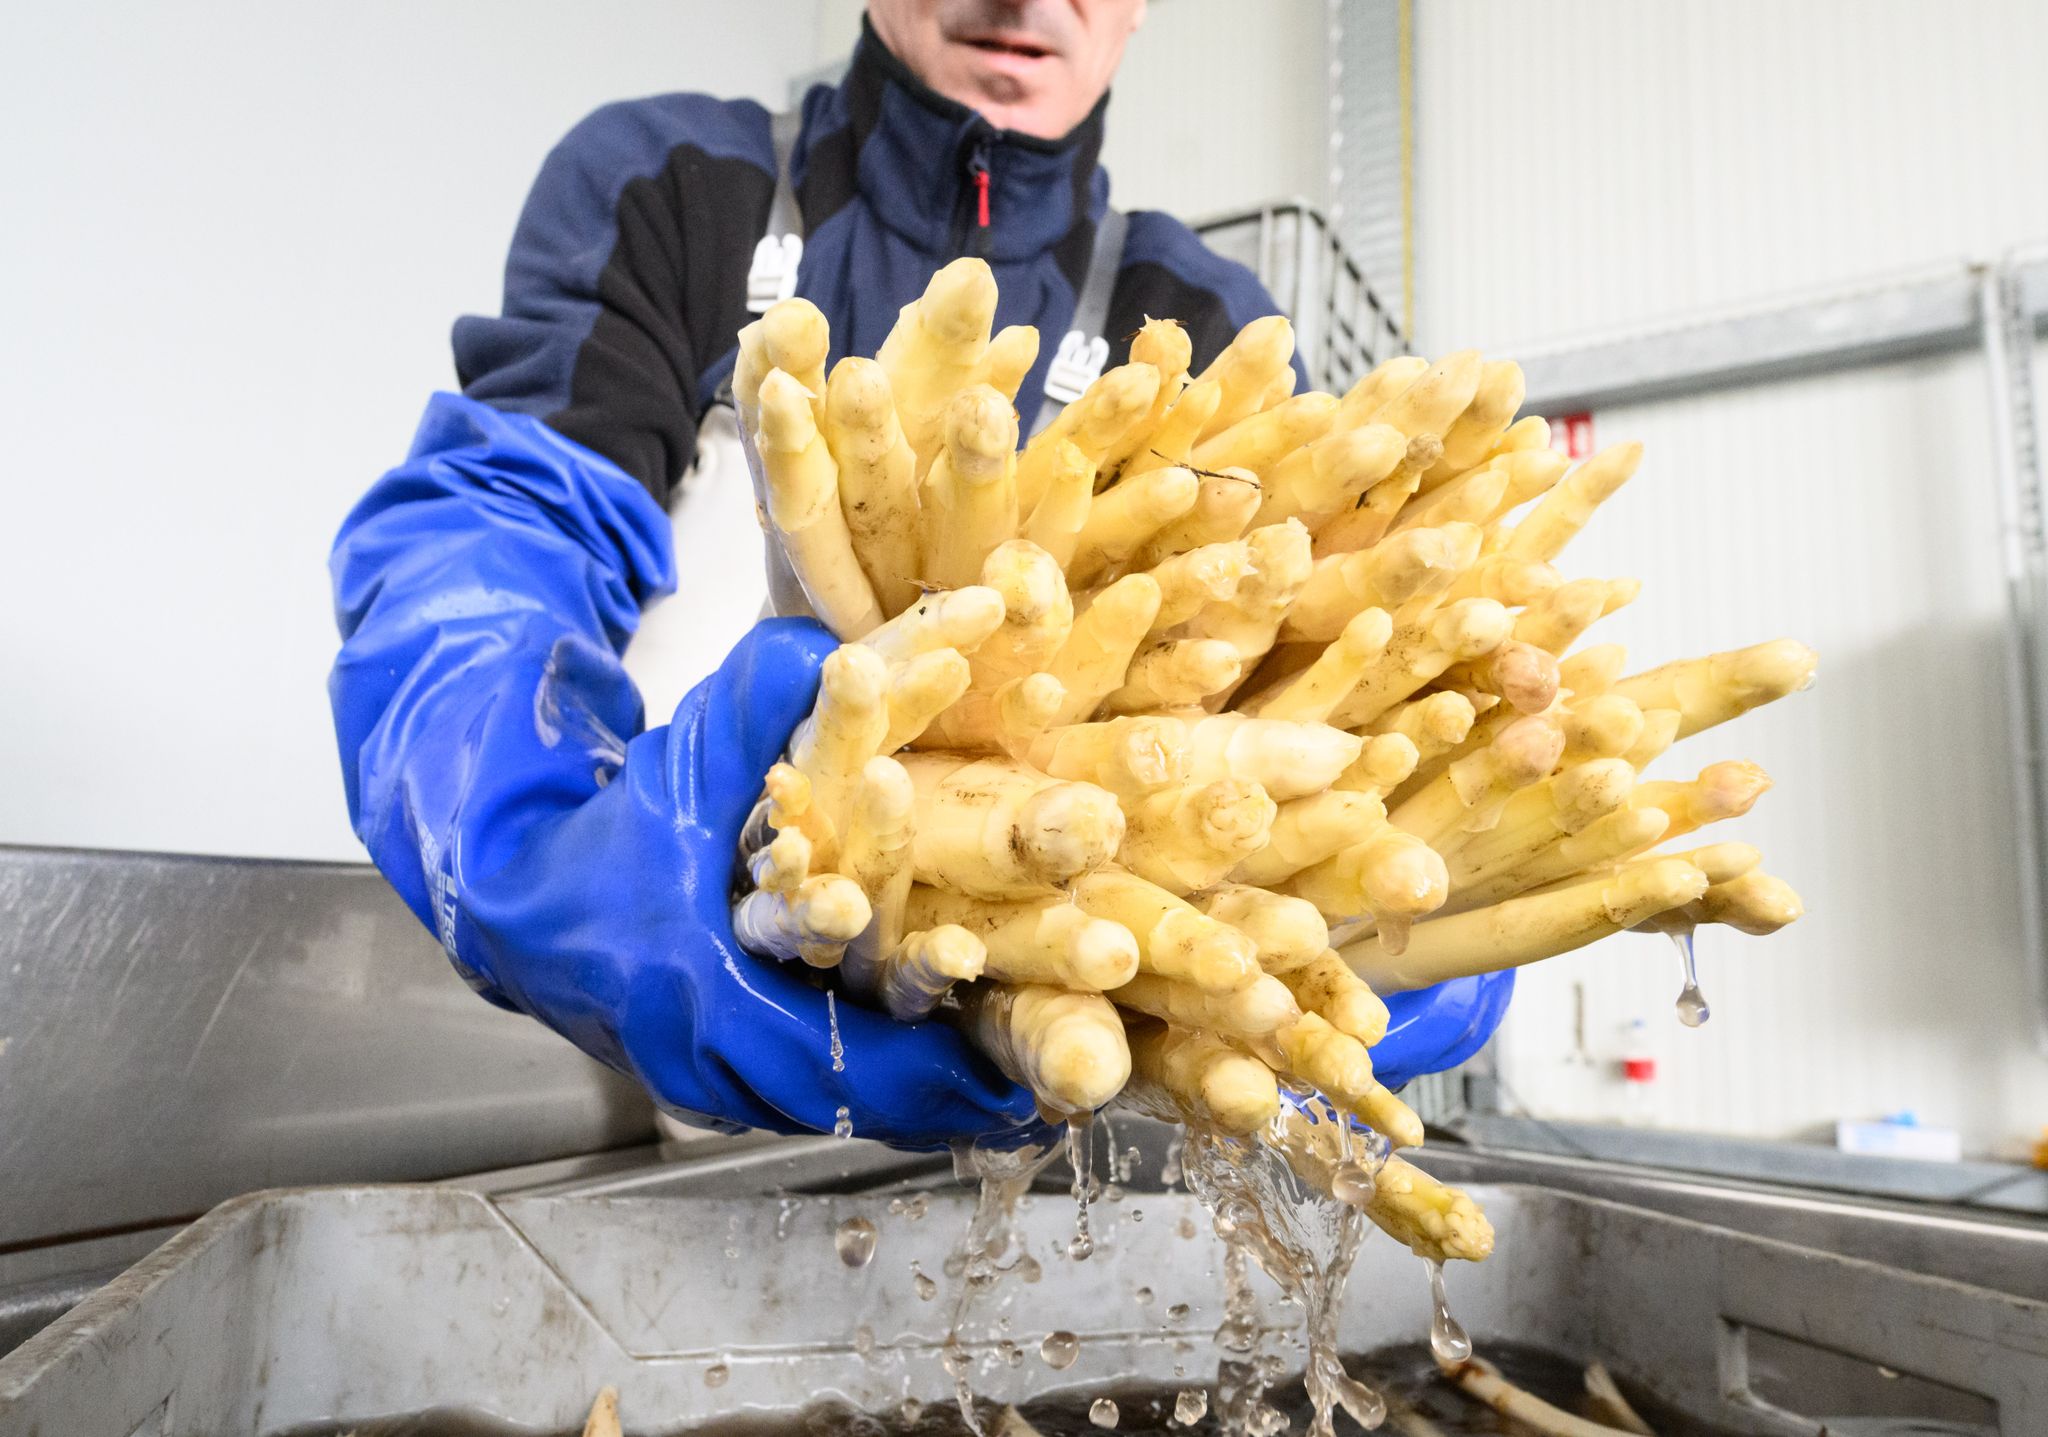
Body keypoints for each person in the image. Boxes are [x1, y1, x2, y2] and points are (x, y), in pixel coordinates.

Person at [327, 0, 1514, 1149]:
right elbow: (501, 531)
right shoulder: (684, 186)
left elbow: (1272, 710)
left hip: (1040, 1110)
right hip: (629, 1095)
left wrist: (1399, 885)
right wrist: (537, 839)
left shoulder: (1200, 321)